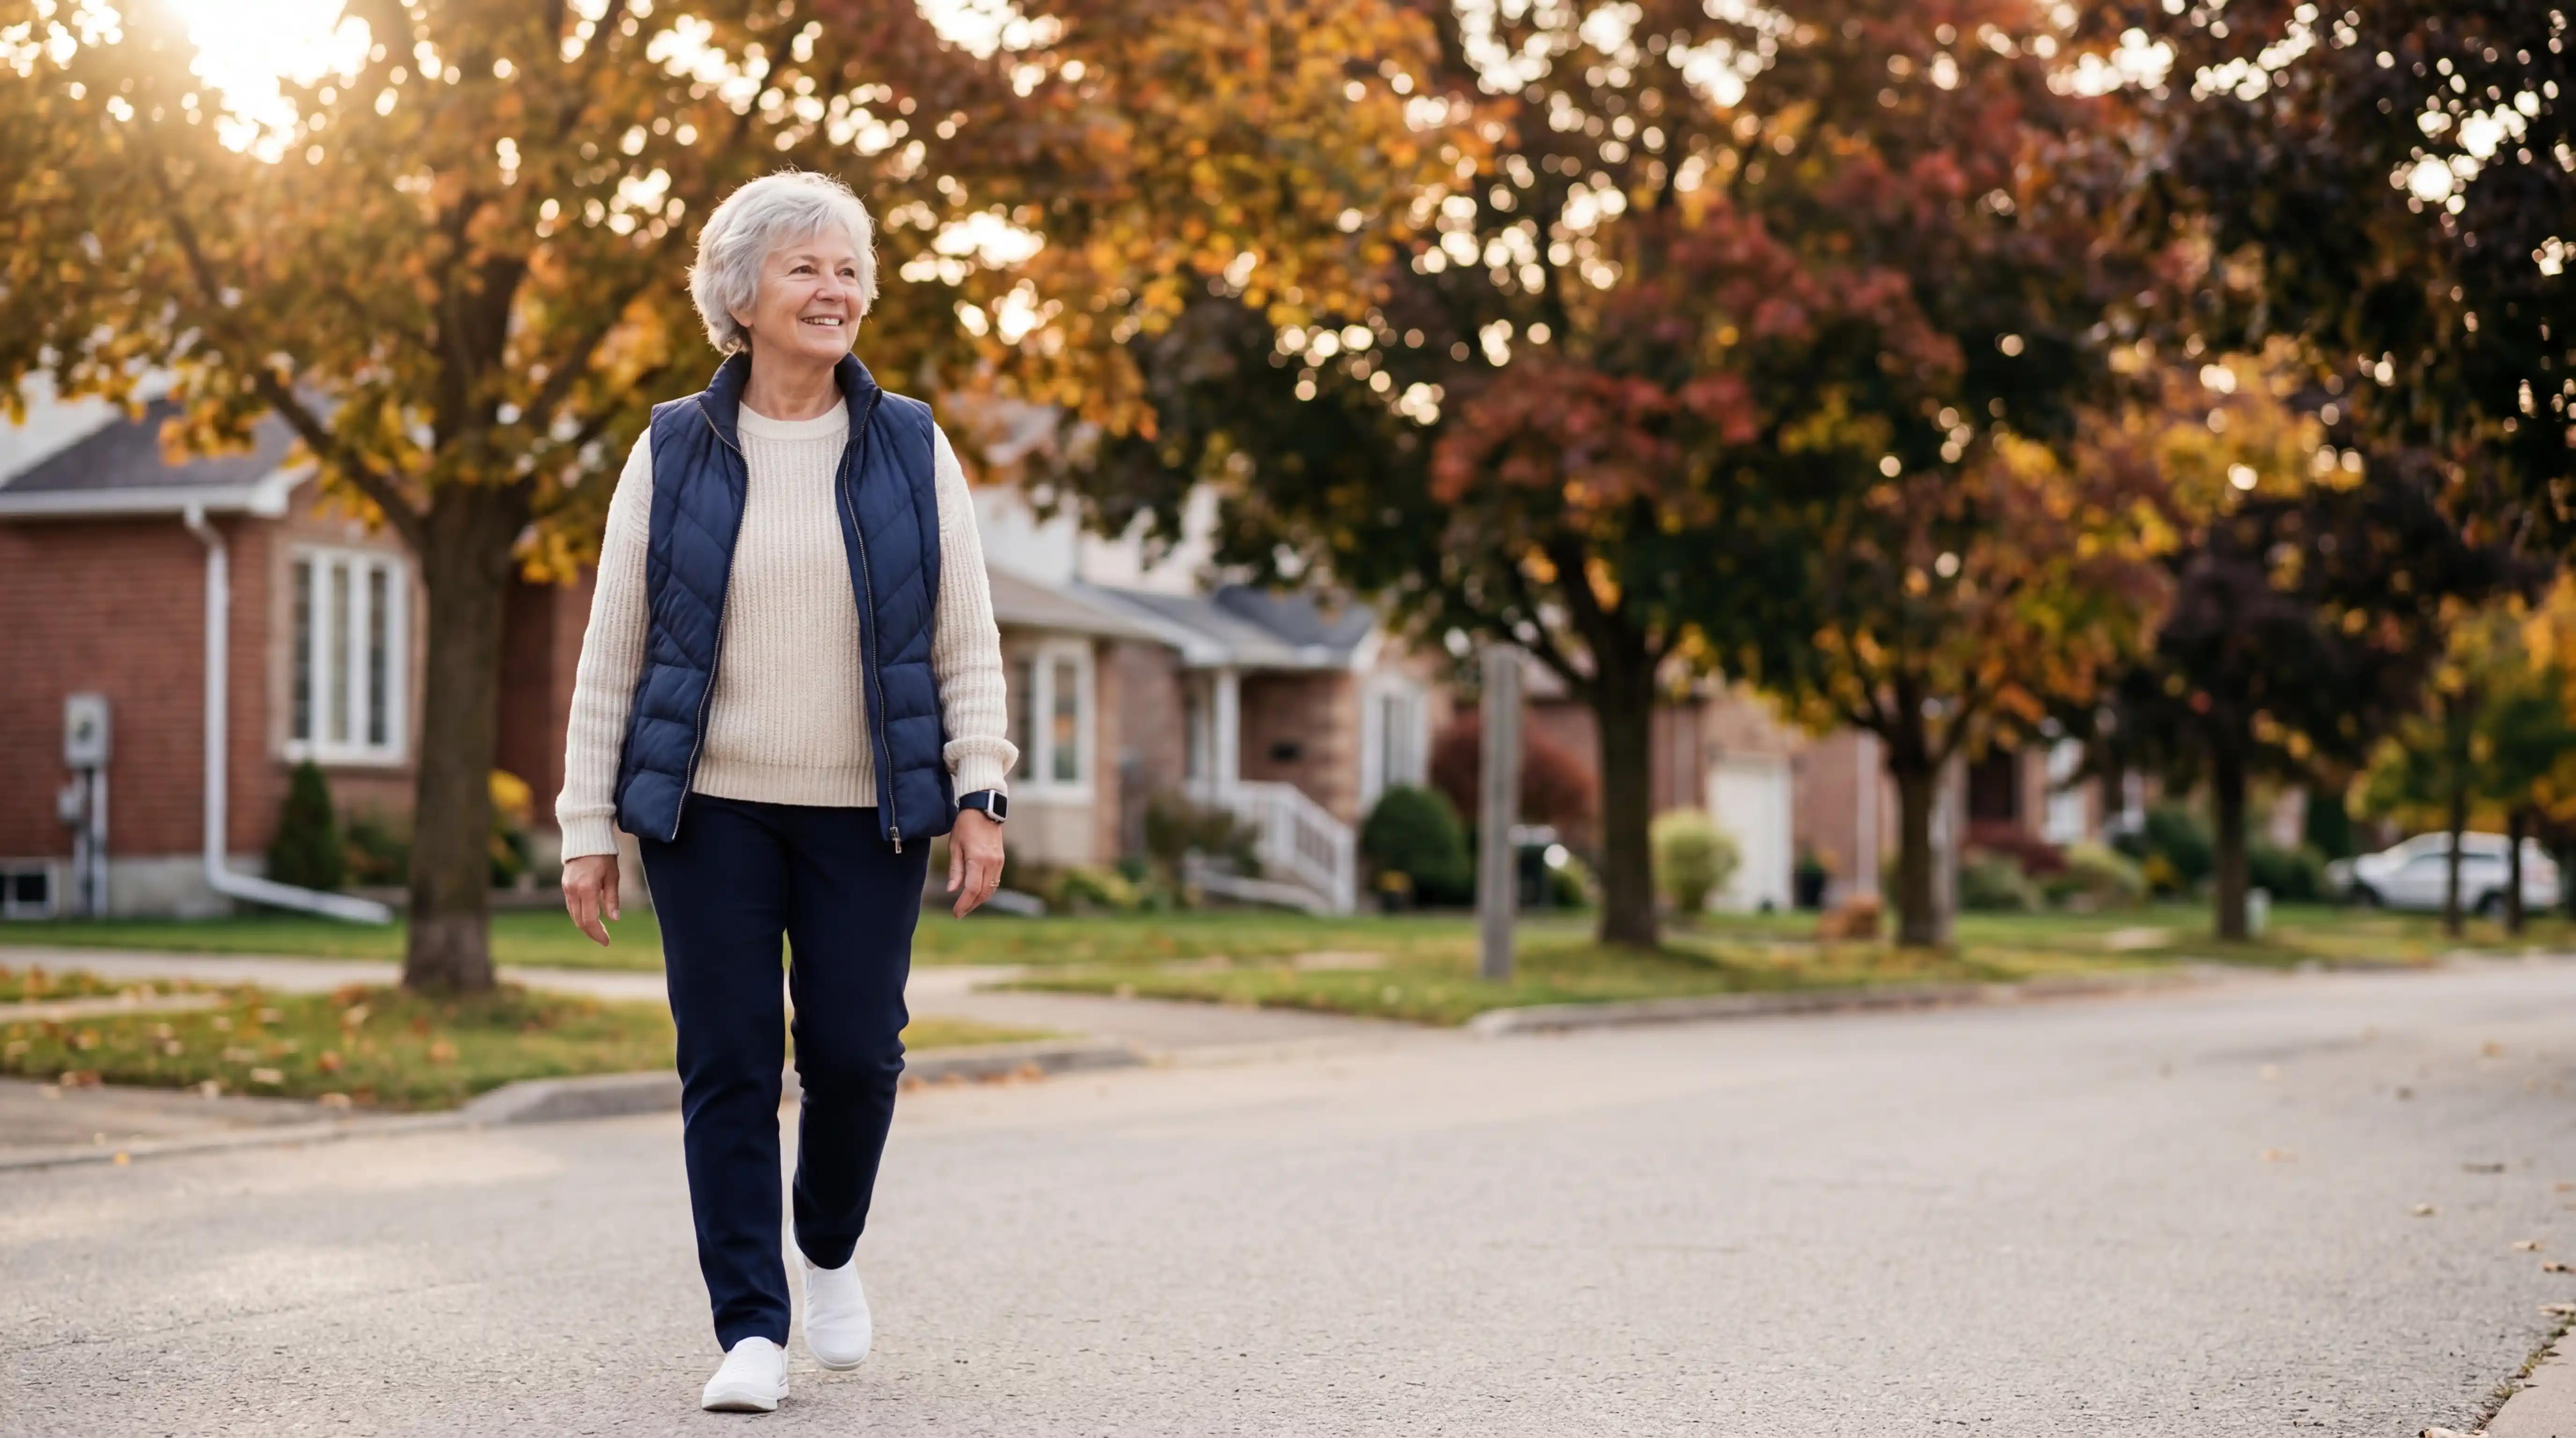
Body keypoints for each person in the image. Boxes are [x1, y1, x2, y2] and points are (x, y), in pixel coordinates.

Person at [553, 170, 1017, 1414]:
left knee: (860, 1059)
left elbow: (965, 641)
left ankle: (826, 1246)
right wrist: (585, 825)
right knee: (730, 1064)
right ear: (741, 294)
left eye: (851, 268)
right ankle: (753, 1326)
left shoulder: (911, 446)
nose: (838, 289)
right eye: (809, 267)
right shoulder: (673, 450)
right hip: (712, 813)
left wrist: (981, 792)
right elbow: (617, 649)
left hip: (871, 812)